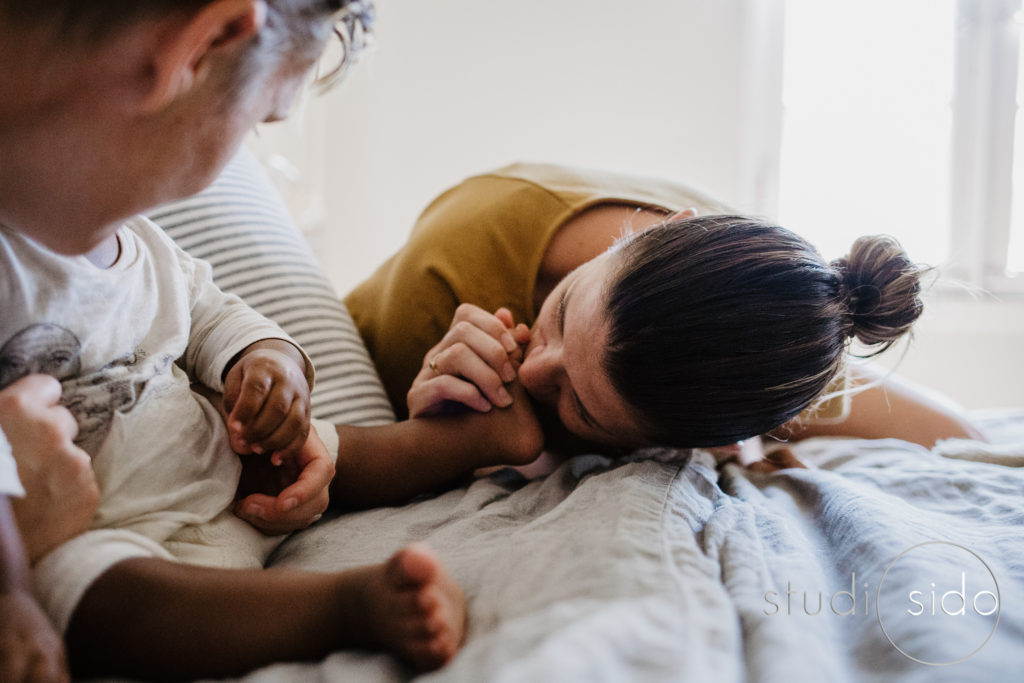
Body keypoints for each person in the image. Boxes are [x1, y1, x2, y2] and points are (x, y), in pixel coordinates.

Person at [0, 2, 548, 680]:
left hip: (227, 461)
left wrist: (268, 363)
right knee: (104, 599)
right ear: (200, 48)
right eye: (261, 121)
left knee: (331, 446)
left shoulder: (137, 238)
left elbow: (209, 308)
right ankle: (344, 607)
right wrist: (12, 593)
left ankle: (477, 438)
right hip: (119, 535)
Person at [346, 163, 984, 461]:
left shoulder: (769, 340)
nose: (536, 370)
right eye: (562, 312)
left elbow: (958, 438)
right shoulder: (436, 304)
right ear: (664, 229)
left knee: (957, 434)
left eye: (582, 408)